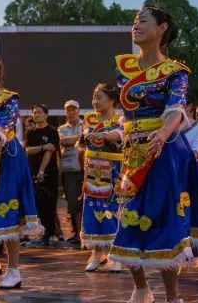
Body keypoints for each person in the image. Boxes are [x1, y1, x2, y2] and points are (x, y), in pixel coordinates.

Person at [109, 5, 198, 303]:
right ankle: (140, 288)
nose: (135, 26)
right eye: (134, 22)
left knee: (164, 221)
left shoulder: (176, 72)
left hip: (163, 153)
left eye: (143, 21)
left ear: (162, 29)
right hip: (133, 151)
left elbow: (176, 109)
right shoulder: (124, 68)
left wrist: (162, 134)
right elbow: (127, 113)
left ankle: (173, 297)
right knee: (128, 216)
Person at [0, 56, 42, 289]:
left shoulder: (9, 99)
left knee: (8, 210)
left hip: (6, 158)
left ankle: (14, 270)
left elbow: (4, 127)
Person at [79, 83, 123, 273]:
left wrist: (103, 135)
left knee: (113, 208)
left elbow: (119, 135)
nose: (95, 101)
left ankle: (116, 252)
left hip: (113, 171)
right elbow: (82, 143)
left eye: (99, 97)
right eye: (94, 97)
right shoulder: (89, 120)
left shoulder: (121, 119)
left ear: (112, 99)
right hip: (92, 170)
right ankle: (97, 251)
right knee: (92, 208)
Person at [23, 104, 60, 247]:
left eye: (39, 112)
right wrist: (43, 147)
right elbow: (28, 150)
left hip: (48, 173)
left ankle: (50, 234)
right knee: (36, 203)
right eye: (34, 112)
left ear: (46, 115)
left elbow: (50, 152)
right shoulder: (30, 132)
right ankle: (39, 233)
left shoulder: (52, 131)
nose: (36, 115)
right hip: (31, 171)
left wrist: (42, 171)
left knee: (49, 203)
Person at [58, 99, 84, 245]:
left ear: (78, 110)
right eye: (68, 109)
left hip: (86, 167)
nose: (71, 111)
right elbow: (62, 141)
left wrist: (72, 140)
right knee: (72, 202)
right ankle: (76, 233)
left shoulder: (86, 125)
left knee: (86, 201)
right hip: (70, 169)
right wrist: (80, 138)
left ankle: (85, 232)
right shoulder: (61, 128)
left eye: (74, 109)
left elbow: (69, 141)